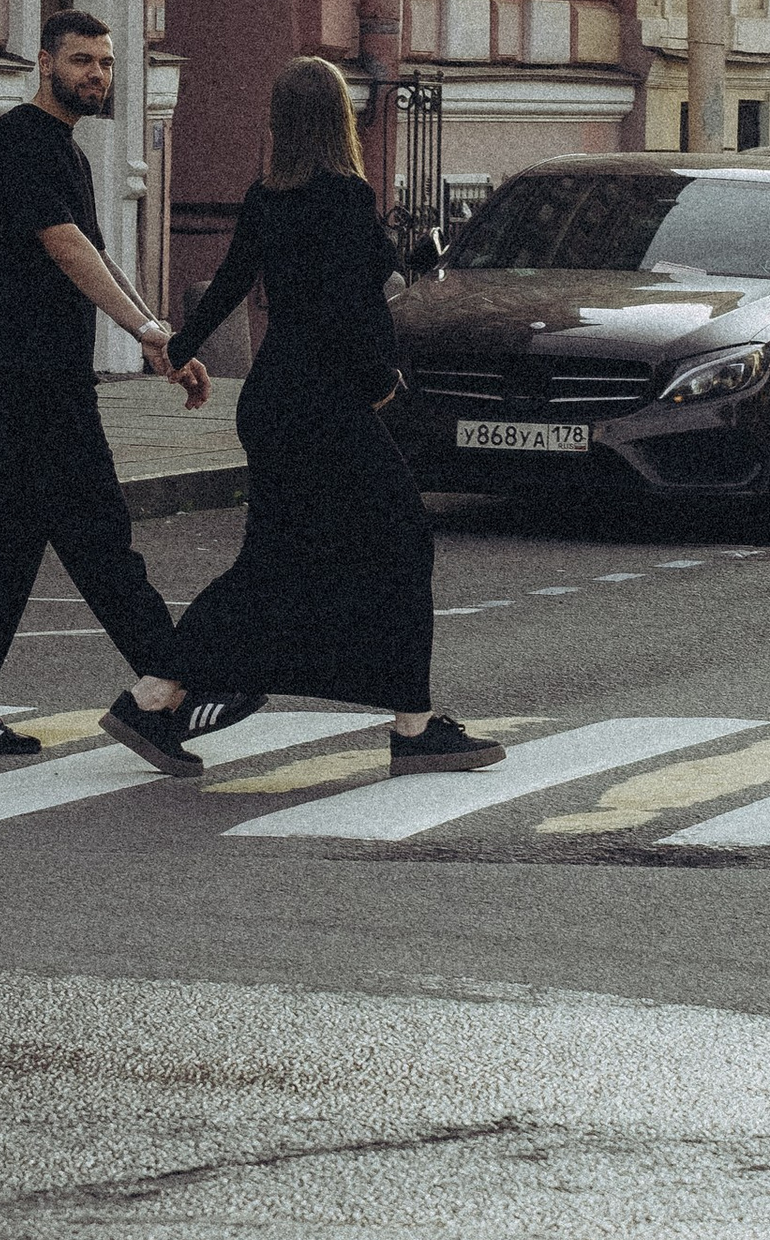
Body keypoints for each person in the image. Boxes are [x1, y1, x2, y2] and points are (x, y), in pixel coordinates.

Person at [128, 56, 504, 779]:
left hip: (271, 402)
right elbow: (355, 311)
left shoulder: (268, 198)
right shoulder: (345, 198)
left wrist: (179, 349)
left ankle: (156, 695)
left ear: (281, 125)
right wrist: (382, 381)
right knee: (401, 540)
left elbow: (231, 283)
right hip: (326, 404)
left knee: (273, 559)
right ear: (340, 121)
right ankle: (414, 728)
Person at [0, 9, 235, 777]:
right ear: (43, 64)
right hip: (31, 379)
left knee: (3, 548)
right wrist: (143, 331)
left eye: (104, 63)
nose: (96, 74)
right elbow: (66, 249)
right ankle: (169, 685)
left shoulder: (64, 151)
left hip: (43, 375)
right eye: (81, 61)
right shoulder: (20, 140)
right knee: (99, 537)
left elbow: (90, 248)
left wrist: (159, 333)